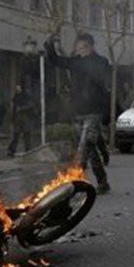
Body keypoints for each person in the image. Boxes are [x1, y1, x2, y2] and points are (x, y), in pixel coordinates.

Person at [45, 33, 111, 194]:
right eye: (78, 47)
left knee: (83, 149)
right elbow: (56, 60)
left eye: (84, 47)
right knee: (91, 150)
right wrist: (49, 45)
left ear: (91, 46)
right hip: (79, 111)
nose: (80, 50)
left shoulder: (101, 62)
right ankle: (103, 182)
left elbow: (104, 87)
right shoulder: (75, 62)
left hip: (94, 112)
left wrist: (106, 112)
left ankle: (74, 185)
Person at [7, 83, 34, 156]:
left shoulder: (26, 96)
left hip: (25, 118)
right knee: (16, 135)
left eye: (19, 88)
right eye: (16, 89)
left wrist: (21, 109)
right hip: (17, 119)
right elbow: (13, 109)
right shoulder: (16, 97)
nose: (17, 90)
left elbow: (30, 106)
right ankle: (11, 150)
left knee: (26, 135)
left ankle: (28, 150)